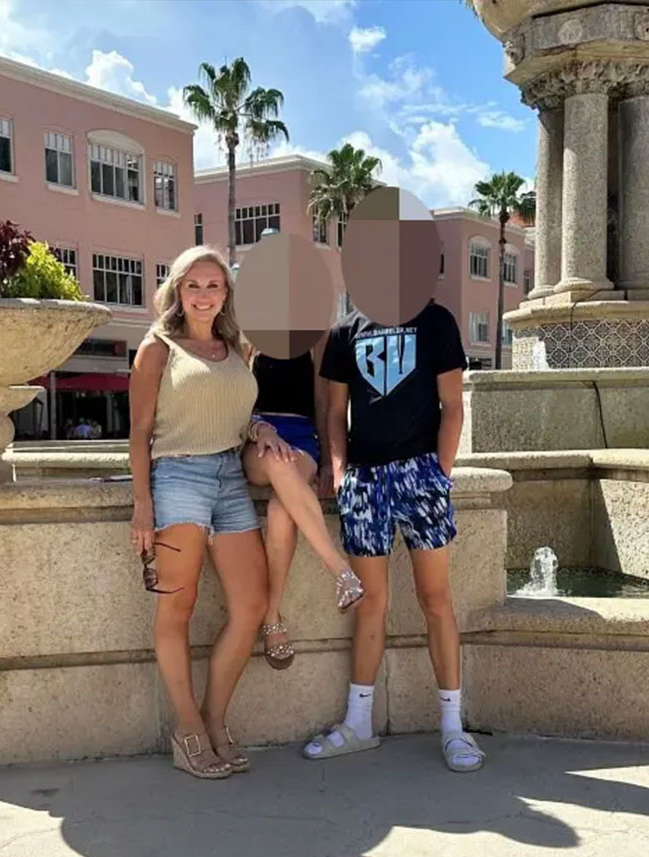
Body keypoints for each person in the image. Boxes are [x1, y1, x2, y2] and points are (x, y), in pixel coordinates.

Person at [129, 245, 295, 780]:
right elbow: (138, 432)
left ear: (226, 294)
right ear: (178, 290)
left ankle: (214, 720)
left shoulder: (236, 347)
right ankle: (188, 729)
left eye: (214, 286)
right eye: (194, 285)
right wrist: (142, 506)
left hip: (229, 478)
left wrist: (261, 428)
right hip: (177, 476)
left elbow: (237, 413)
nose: (204, 295)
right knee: (176, 609)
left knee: (250, 606)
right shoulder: (157, 349)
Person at [303, 301, 485, 773]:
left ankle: (452, 727)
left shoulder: (437, 319)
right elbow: (336, 412)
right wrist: (340, 472)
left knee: (436, 598)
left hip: (420, 473)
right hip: (365, 479)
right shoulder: (346, 329)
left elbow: (453, 406)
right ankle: (358, 723)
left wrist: (439, 473)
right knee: (370, 603)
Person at [244, 348, 364, 669]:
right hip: (256, 435)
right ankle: (340, 569)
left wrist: (328, 462)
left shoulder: (316, 334)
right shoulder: (246, 329)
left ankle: (271, 616)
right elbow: (235, 396)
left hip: (301, 438)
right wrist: (260, 429)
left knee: (282, 511)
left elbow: (324, 403)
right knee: (274, 457)